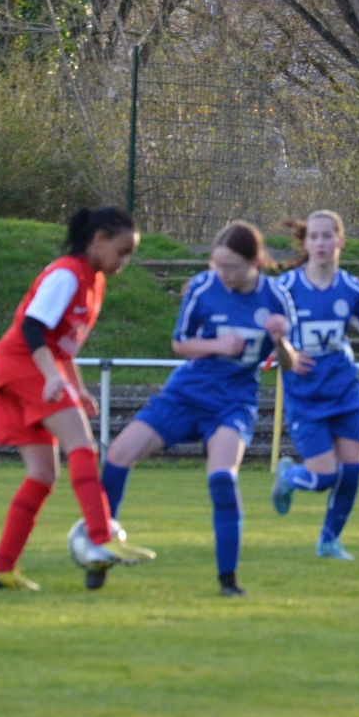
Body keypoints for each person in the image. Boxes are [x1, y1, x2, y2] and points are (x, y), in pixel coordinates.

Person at [102, 220, 300, 598]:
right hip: (186, 394)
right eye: (217, 264)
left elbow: (290, 364)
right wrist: (217, 347)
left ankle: (228, 580)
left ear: (255, 262)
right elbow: (180, 343)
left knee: (222, 477)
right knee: (118, 455)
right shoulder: (203, 287)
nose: (223, 273)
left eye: (231, 267)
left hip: (233, 401)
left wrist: (280, 342)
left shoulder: (276, 298)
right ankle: (100, 549)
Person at [0, 207, 156, 593]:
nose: (124, 262)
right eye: (121, 252)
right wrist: (50, 376)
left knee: (43, 475)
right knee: (82, 446)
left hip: (24, 368)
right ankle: (100, 536)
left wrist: (77, 388)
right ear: (98, 240)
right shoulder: (66, 274)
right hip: (22, 365)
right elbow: (32, 327)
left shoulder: (94, 281)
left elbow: (63, 345)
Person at [269, 211, 359, 559]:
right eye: (314, 237)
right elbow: (268, 334)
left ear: (340, 240)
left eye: (327, 236)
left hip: (345, 390)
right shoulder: (285, 288)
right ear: (306, 243)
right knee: (323, 476)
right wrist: (287, 352)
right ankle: (289, 477)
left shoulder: (351, 288)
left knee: (351, 470)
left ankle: (328, 541)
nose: (321, 243)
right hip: (305, 396)